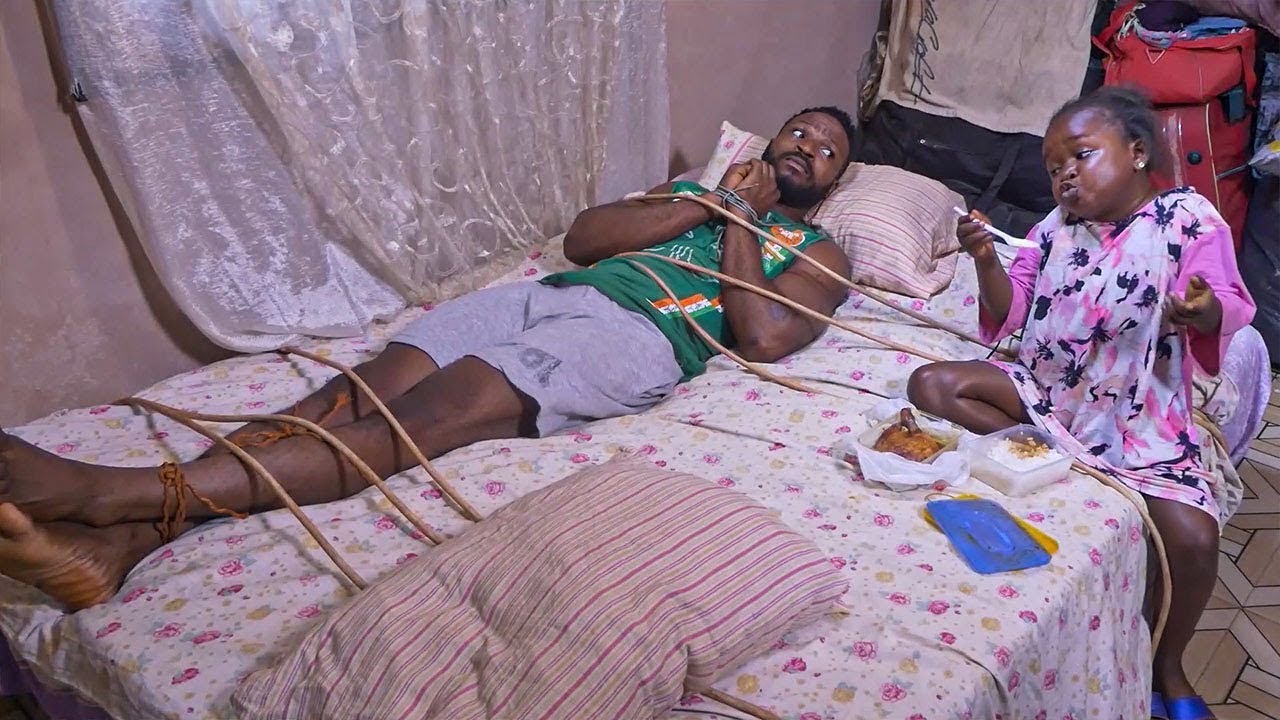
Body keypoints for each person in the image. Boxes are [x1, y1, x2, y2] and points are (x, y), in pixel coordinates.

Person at [0, 107, 856, 611]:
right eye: (797, 132)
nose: (803, 147)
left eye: (824, 151)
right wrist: (710, 199)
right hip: (553, 293)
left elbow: (764, 335)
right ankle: (125, 545)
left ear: (834, 183)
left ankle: (105, 495)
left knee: (419, 421)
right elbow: (585, 240)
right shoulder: (697, 194)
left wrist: (742, 221)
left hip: (632, 338)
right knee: (342, 400)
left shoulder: (819, 252)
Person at [907, 87, 1255, 719]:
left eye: (1081, 155)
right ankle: (1060, 454)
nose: (1064, 174)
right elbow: (1010, 309)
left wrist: (1201, 310)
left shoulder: (1186, 218)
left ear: (1138, 152)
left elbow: (1227, 302)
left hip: (1138, 418)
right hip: (1047, 394)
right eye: (1053, 167)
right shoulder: (1053, 229)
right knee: (930, 385)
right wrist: (984, 258)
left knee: (1195, 537)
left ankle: (1169, 666)